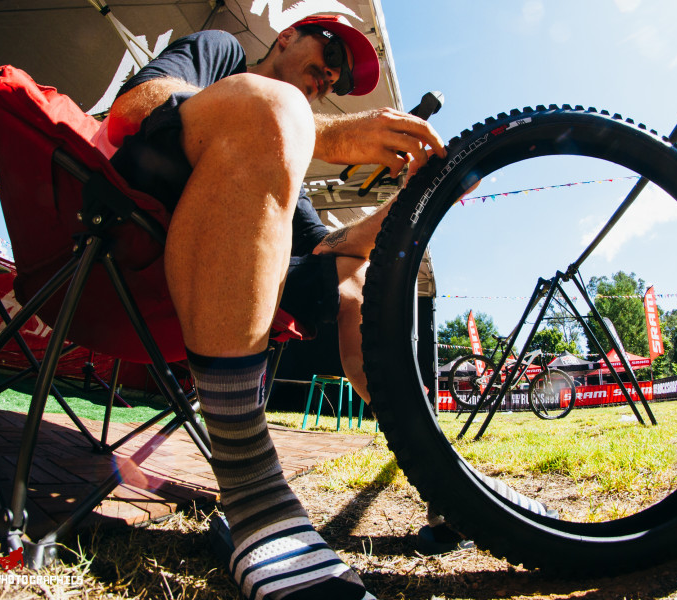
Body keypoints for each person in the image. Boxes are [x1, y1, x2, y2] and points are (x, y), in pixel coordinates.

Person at [100, 14, 444, 600]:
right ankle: (251, 493)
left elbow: (326, 254)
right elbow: (132, 108)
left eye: (339, 79)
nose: (330, 75)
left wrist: (413, 204)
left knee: (354, 282)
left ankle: (440, 476)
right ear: (285, 36)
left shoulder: (277, 139)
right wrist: (327, 134)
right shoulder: (223, 55)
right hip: (126, 241)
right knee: (269, 104)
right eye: (329, 50)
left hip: (224, 291)